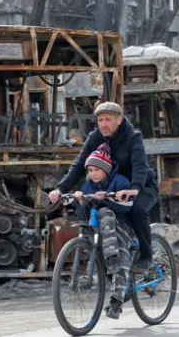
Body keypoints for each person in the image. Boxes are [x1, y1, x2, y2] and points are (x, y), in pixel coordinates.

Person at [48, 101, 158, 270]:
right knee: (96, 212)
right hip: (112, 188)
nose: (103, 124)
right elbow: (79, 164)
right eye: (100, 120)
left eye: (108, 120)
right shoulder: (95, 137)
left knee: (137, 210)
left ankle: (146, 254)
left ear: (119, 120)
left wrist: (135, 189)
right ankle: (109, 260)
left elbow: (139, 165)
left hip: (140, 186)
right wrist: (60, 188)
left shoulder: (132, 137)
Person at [72, 143, 134, 319]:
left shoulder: (120, 181)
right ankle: (110, 263)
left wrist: (108, 199)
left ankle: (115, 302)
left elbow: (127, 207)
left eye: (97, 169)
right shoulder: (87, 186)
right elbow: (85, 215)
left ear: (106, 169)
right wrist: (81, 201)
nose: (93, 174)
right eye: (90, 170)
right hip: (102, 232)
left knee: (106, 213)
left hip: (123, 225)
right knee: (97, 219)